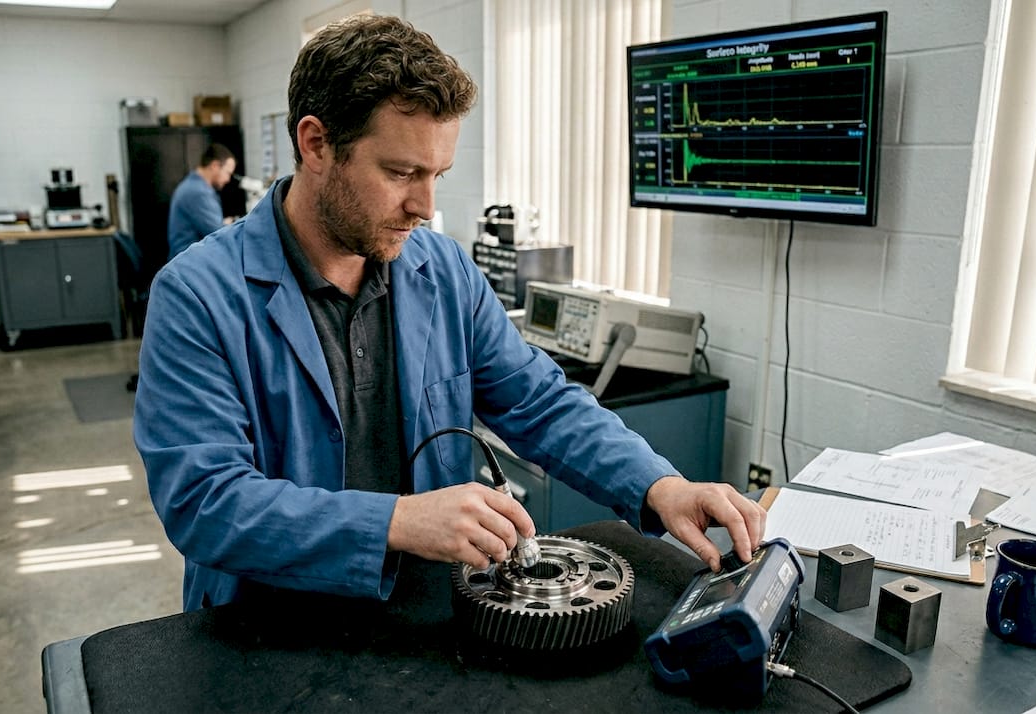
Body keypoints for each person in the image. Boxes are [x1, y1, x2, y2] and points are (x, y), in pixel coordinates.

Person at [134, 14, 766, 612]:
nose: (425, 206)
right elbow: (205, 502)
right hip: (266, 630)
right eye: (401, 172)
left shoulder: (443, 271)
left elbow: (537, 402)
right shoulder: (197, 295)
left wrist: (661, 487)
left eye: (438, 173)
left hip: (426, 617)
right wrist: (397, 522)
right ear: (317, 143)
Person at [166, 143, 236, 261]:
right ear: (215, 166)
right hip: (189, 263)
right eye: (228, 173)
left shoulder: (193, 184)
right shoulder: (199, 192)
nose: (228, 179)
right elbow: (219, 234)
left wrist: (223, 223)